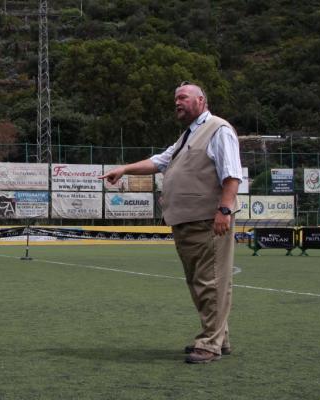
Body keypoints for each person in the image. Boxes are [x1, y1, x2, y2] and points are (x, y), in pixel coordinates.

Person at [100, 82, 242, 364]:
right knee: (201, 283)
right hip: (188, 221)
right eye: (175, 98)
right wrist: (125, 169)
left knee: (211, 282)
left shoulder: (218, 129)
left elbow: (232, 175)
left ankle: (210, 344)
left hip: (207, 220)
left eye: (183, 98)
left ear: (201, 100)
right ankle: (219, 338)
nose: (177, 102)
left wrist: (224, 210)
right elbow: (158, 161)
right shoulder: (187, 136)